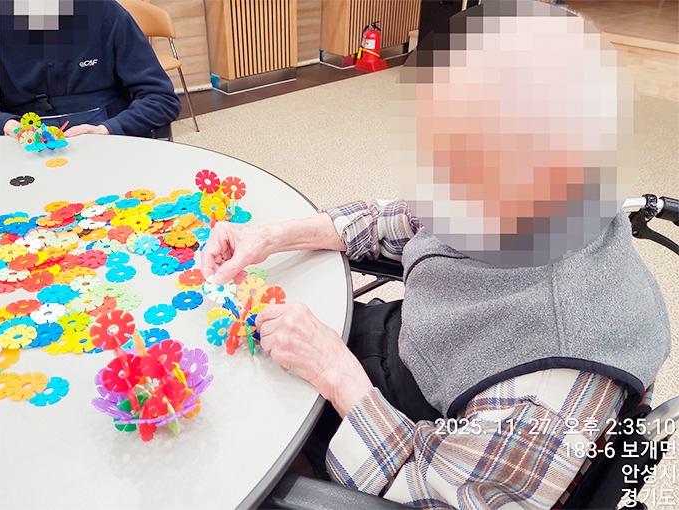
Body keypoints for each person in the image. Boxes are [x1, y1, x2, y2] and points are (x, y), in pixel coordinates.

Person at [201, 1, 672, 508]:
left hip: (406, 430)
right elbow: (404, 217)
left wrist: (334, 371)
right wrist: (274, 236)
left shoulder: (551, 391)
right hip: (415, 355)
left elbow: (430, 492)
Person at [0, 0, 182, 138]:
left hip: (107, 138)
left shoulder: (106, 12)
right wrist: (5, 124)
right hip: (21, 145)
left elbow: (161, 98)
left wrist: (108, 129)